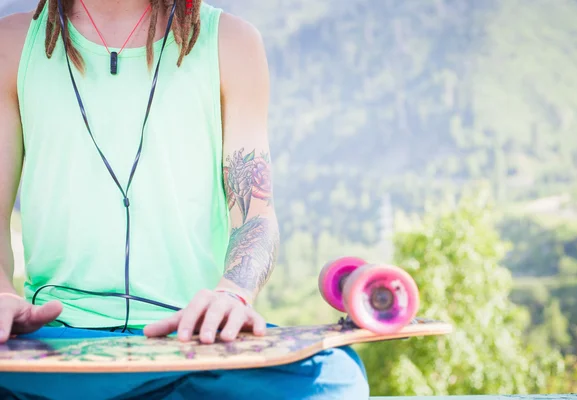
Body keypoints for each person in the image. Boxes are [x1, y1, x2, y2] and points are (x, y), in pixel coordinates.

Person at [0, 0, 369, 398]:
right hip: (55, 346)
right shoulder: (13, 44)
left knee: (333, 378)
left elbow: (256, 215)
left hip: (194, 341)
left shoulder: (231, 41)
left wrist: (232, 293)